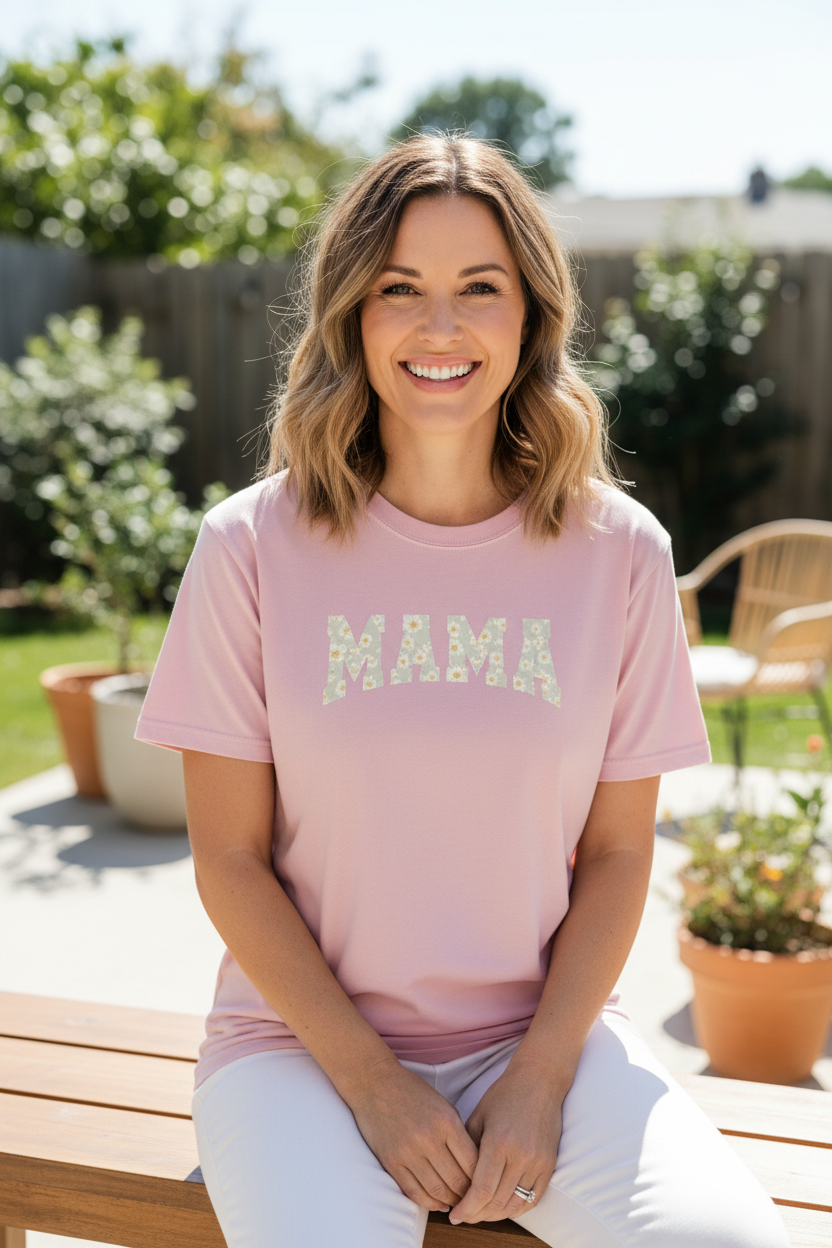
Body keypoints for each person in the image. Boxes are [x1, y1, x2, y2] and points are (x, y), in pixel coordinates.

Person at [136, 134, 789, 1248]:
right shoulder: (249, 546)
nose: (440, 327)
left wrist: (540, 1078)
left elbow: (619, 854)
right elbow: (230, 860)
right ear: (352, 314)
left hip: (546, 1047)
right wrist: (373, 1085)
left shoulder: (620, 553)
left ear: (532, 315)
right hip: (299, 1054)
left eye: (479, 288)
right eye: (400, 289)